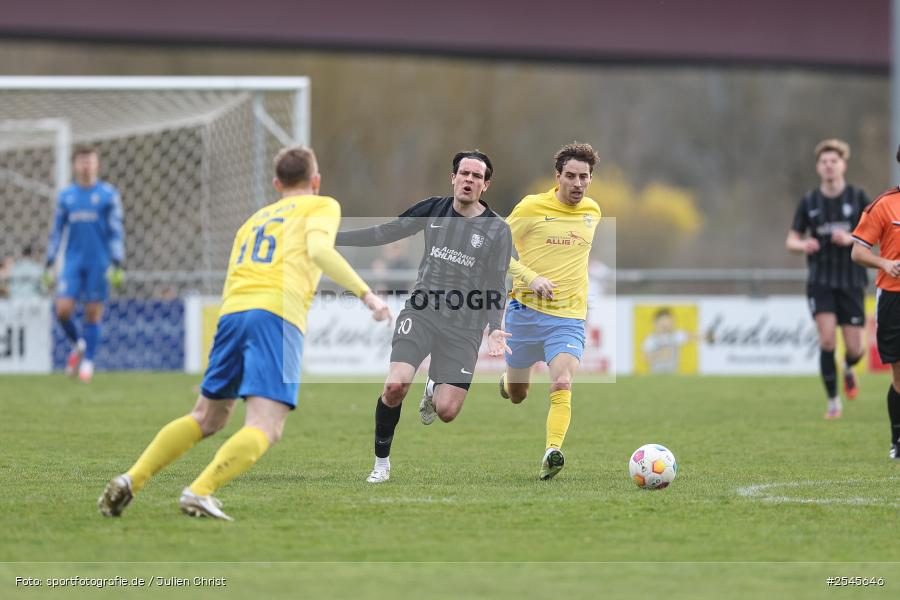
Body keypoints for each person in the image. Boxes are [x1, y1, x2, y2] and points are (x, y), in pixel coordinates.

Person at [98, 146, 391, 520]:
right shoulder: (321, 205)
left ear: (276, 183)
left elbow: (234, 274)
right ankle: (200, 490)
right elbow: (319, 250)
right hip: (275, 314)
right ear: (315, 181)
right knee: (266, 425)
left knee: (206, 416)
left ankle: (131, 479)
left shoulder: (254, 220)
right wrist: (367, 295)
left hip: (232, 312)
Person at [335, 150, 513, 484]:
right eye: (464, 173)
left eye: (477, 176)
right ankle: (381, 464)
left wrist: (494, 328)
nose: (469, 180)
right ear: (453, 177)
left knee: (447, 411)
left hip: (465, 326)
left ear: (485, 185)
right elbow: (385, 233)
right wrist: (331, 239)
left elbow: (495, 284)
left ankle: (433, 388)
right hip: (422, 311)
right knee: (395, 386)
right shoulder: (433, 208)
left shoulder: (498, 231)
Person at [499, 142, 602, 480]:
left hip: (568, 319)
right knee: (517, 394)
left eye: (584, 177)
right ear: (557, 177)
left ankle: (552, 451)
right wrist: (531, 277)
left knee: (562, 380)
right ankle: (508, 381)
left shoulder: (593, 212)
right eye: (570, 176)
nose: (577, 183)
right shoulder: (531, 208)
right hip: (523, 313)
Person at [786, 139, 870, 419]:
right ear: (818, 167)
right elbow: (791, 239)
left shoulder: (858, 198)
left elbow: (876, 234)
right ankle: (834, 402)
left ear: (843, 165)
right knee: (827, 341)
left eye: (834, 161)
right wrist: (803, 245)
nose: (829, 165)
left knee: (856, 348)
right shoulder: (809, 202)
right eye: (824, 161)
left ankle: (848, 367)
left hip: (852, 279)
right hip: (820, 280)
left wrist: (851, 238)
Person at [44, 146, 125, 383]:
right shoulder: (66, 196)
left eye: (90, 161)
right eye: (82, 161)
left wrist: (118, 260)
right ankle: (79, 344)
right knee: (62, 310)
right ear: (75, 166)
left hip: (99, 262)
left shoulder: (109, 195)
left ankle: (88, 362)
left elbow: (115, 230)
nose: (86, 166)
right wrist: (49, 260)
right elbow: (57, 231)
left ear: (97, 164)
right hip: (72, 261)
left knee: (92, 312)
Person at [850, 145, 900, 460]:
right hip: (893, 297)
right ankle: (898, 441)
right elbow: (858, 251)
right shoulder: (883, 206)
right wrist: (884, 264)